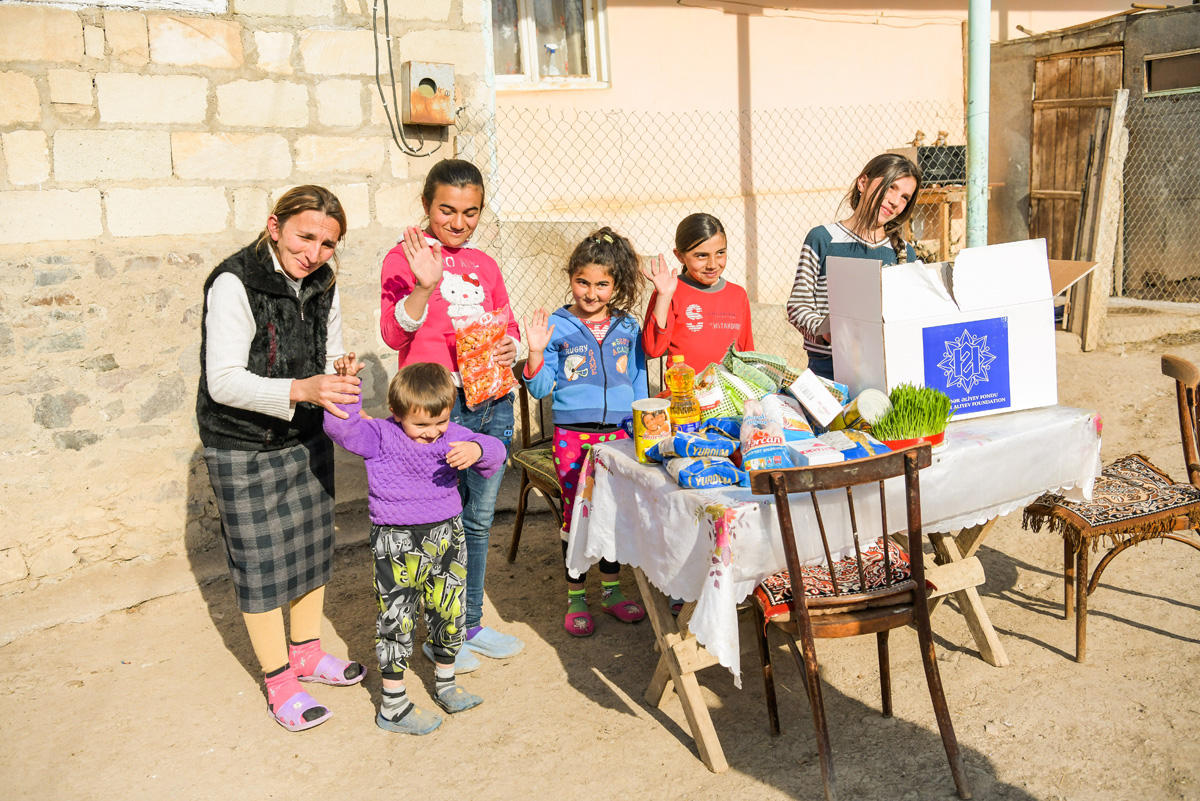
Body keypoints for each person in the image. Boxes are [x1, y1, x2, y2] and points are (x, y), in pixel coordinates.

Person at [197, 185, 365, 732]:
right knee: (263, 565)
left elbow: (329, 345)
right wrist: (304, 389)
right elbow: (223, 382)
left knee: (313, 547)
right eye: (305, 236)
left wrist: (337, 376)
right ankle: (279, 681)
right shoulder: (234, 282)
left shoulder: (323, 280)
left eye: (328, 243)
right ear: (275, 227)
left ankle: (309, 654)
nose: (314, 252)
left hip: (304, 433)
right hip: (242, 442)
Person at [379, 159, 524, 671]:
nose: (459, 222)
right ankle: (437, 633)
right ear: (426, 205)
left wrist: (512, 348)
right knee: (437, 523)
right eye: (447, 210)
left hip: (491, 404)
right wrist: (422, 285)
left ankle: (469, 623)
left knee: (479, 521)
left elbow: (506, 325)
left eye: (470, 212)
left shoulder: (485, 264)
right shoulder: (404, 257)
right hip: (440, 411)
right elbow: (394, 336)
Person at [324, 359, 505, 735]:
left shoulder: (452, 434)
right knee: (397, 619)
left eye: (440, 422)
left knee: (449, 611)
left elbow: (495, 451)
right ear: (396, 412)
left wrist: (475, 449)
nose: (432, 433)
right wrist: (347, 385)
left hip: (447, 538)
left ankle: (446, 683)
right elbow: (342, 428)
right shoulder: (379, 435)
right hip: (397, 542)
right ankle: (393, 704)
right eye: (421, 424)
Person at [523, 227, 649, 637]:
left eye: (601, 284)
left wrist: (642, 424)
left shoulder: (628, 328)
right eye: (582, 282)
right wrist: (536, 352)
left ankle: (611, 592)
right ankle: (576, 597)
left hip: (620, 436)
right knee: (577, 517)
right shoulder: (557, 327)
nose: (591, 293)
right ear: (570, 278)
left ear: (615, 286)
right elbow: (540, 388)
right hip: (573, 437)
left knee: (613, 515)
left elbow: (638, 380)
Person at [786, 153, 923, 380]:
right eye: (890, 187)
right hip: (827, 370)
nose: (895, 201)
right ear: (863, 183)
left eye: (905, 197)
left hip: (884, 370)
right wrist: (826, 331)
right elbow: (797, 305)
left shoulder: (904, 253)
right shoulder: (823, 238)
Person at [641, 212, 754, 370]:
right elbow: (653, 349)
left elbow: (747, 354)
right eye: (702, 256)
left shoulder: (738, 295)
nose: (712, 264)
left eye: (720, 253)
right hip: (685, 393)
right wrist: (664, 297)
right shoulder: (670, 291)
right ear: (680, 256)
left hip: (729, 393)